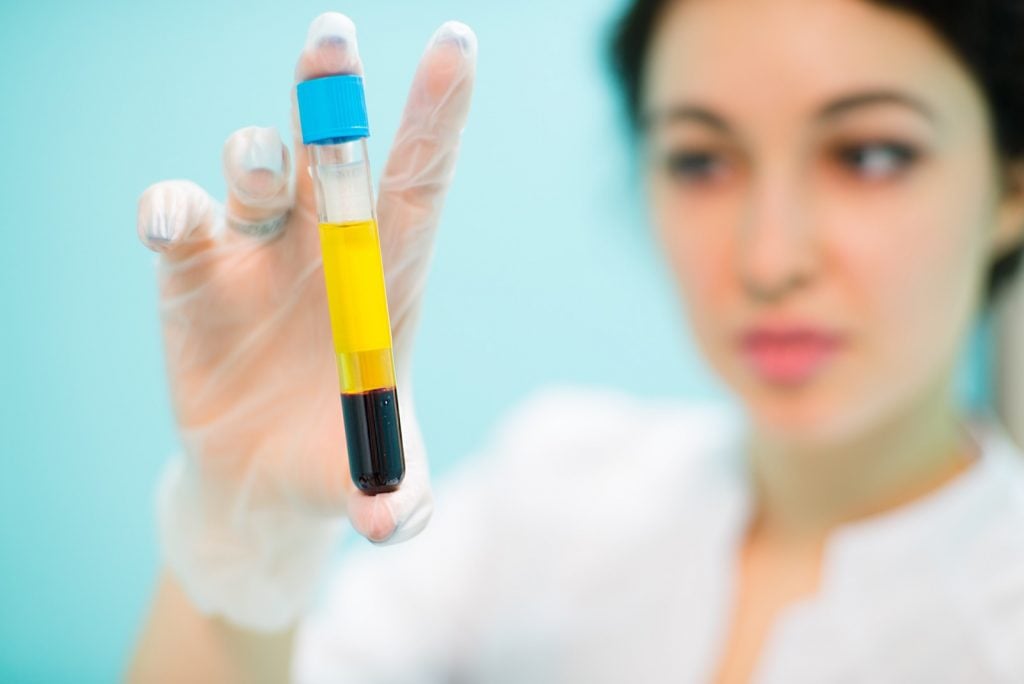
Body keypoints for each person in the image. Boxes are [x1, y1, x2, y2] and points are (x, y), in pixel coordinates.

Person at [128, 1, 1024, 681]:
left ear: (1012, 190)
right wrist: (242, 550)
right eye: (699, 160)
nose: (769, 258)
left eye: (870, 154)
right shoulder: (554, 486)